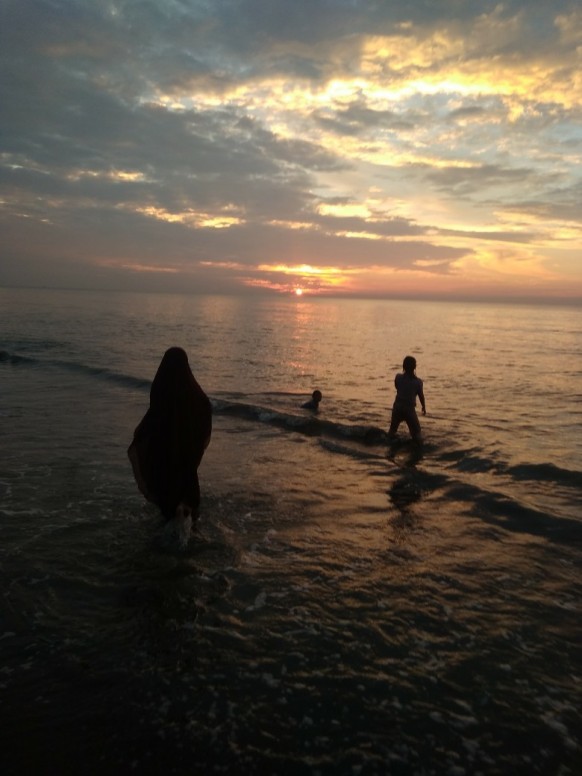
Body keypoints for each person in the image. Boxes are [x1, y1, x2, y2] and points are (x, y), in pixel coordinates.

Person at [128, 347, 212, 529]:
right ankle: (186, 516)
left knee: (167, 505)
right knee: (190, 511)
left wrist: (141, 435)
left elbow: (153, 417)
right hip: (187, 458)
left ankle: (174, 517)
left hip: (164, 456)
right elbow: (206, 413)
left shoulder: (161, 385)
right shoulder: (195, 393)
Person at [387, 356, 426, 443]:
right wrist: (423, 406)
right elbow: (420, 396)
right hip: (409, 410)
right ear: (415, 367)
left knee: (392, 430)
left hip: (397, 407)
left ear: (403, 366)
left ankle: (388, 445)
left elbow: (397, 388)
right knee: (417, 434)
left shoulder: (398, 377)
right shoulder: (418, 382)